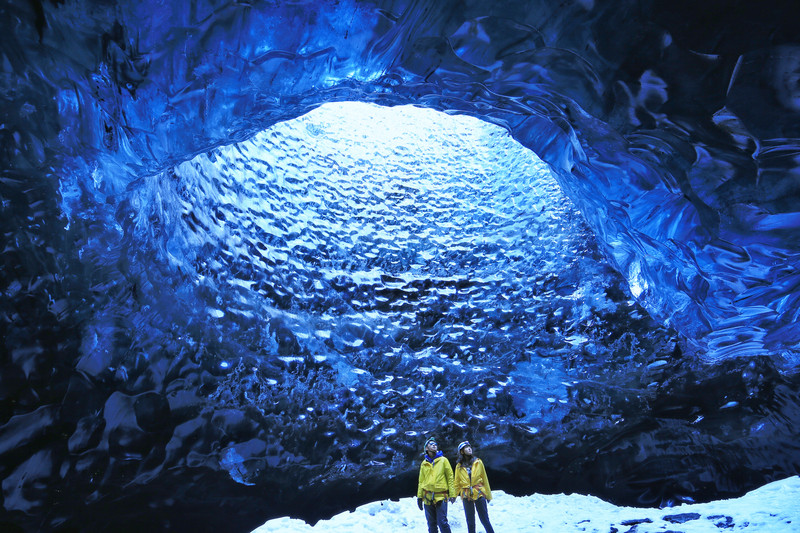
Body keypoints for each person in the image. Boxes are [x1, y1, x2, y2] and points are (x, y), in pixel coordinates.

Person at [454, 441, 495, 533]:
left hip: (479, 493)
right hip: (466, 495)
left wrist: (488, 495)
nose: (469, 448)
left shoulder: (478, 462)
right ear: (462, 451)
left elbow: (485, 479)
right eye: (466, 447)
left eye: (470, 447)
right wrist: (453, 495)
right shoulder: (459, 466)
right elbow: (457, 483)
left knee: (484, 519)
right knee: (470, 521)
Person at [417, 437, 456, 533]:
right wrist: (419, 497)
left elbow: (450, 477)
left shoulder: (443, 460)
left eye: (435, 444)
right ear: (426, 448)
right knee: (431, 524)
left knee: (442, 522)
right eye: (431, 444)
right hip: (427, 496)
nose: (434, 445)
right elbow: (421, 481)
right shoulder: (424, 464)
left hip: (441, 496)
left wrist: (452, 493)